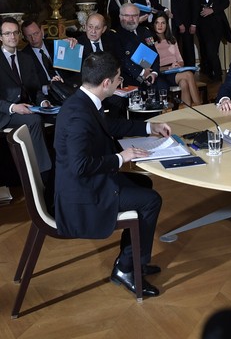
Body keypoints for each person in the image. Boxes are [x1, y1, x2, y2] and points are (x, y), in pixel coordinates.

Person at [54, 52, 171, 298]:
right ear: (106, 83)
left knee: (144, 183)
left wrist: (151, 127)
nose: (120, 82)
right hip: (82, 195)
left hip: (88, 182)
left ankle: (132, 258)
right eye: (118, 79)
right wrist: (121, 157)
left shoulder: (84, 101)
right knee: (151, 200)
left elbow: (112, 126)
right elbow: (80, 166)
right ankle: (127, 268)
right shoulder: (78, 115)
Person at [0, 17, 53, 176]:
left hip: (28, 107)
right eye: (8, 33)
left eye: (15, 32)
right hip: (5, 112)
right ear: (0, 37)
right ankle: (42, 175)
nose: (13, 37)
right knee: (34, 120)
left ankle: (63, 169)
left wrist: (43, 101)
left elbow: (34, 89)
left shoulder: (25, 59)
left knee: (61, 115)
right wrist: (13, 107)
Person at [151, 13, 201, 106]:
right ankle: (199, 107)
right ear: (153, 24)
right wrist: (169, 68)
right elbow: (152, 67)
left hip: (176, 70)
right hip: (163, 73)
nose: (160, 26)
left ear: (167, 25)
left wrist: (178, 65)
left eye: (163, 23)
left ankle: (188, 113)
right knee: (189, 75)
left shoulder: (172, 39)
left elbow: (180, 60)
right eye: (157, 23)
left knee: (184, 83)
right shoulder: (151, 42)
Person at [195, 0, 231, 80]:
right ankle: (209, 72)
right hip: (202, 24)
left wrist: (212, 10)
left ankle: (217, 74)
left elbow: (226, 2)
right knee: (205, 50)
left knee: (212, 50)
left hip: (217, 23)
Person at [116, 3, 165, 90]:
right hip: (131, 77)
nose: (131, 19)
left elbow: (154, 55)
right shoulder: (115, 35)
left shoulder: (145, 31)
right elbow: (122, 61)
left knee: (162, 86)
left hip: (150, 74)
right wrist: (142, 72)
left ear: (139, 16)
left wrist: (154, 73)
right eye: (127, 15)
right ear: (120, 17)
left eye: (134, 15)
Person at [171, 0, 199, 66]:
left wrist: (193, 24)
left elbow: (195, 7)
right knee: (174, 46)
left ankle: (190, 68)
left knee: (188, 47)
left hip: (188, 23)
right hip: (173, 22)